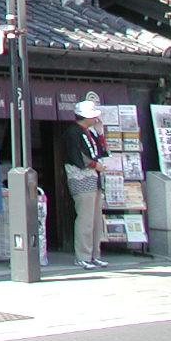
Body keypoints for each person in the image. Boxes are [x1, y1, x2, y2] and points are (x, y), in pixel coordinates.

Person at [64, 99, 109, 270]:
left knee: (96, 219)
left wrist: (100, 134)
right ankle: (82, 256)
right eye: (93, 116)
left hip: (94, 179)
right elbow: (77, 156)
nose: (96, 118)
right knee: (85, 218)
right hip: (81, 179)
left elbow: (101, 152)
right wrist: (94, 165)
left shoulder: (89, 132)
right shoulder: (73, 132)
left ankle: (95, 255)